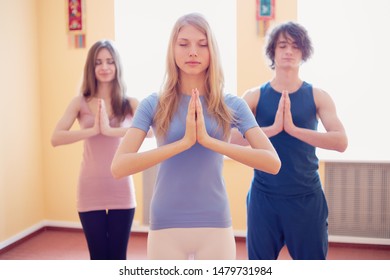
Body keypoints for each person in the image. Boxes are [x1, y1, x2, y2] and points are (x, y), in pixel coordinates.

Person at [111, 13, 281, 260]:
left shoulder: (231, 104)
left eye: (202, 44)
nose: (193, 52)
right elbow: (119, 166)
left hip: (215, 223)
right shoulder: (153, 104)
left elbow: (272, 162)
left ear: (212, 50)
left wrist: (211, 142)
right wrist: (183, 143)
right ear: (173, 49)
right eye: (184, 44)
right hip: (165, 223)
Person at [231, 21, 348, 260]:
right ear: (272, 51)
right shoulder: (254, 96)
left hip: (306, 197)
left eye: (295, 46)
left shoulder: (318, 95)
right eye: (282, 45)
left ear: (303, 52)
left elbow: (340, 141)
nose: (288, 51)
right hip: (264, 198)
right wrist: (274, 129)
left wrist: (293, 129)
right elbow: (231, 140)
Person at [51, 40, 138, 260]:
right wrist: (93, 131)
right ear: (91, 67)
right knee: (98, 258)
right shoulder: (79, 102)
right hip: (90, 188)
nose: (105, 67)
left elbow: (150, 133)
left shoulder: (129, 103)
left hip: (121, 188)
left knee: (118, 258)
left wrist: (110, 131)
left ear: (117, 65)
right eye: (98, 62)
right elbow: (56, 138)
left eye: (110, 61)